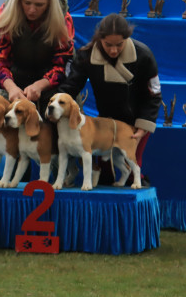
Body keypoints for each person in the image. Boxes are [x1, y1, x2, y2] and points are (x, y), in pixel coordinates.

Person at [57, 14, 161, 184]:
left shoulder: (143, 55)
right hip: (106, 123)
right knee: (105, 175)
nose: (113, 50)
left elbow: (154, 95)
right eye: (108, 45)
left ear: (127, 39)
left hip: (137, 122)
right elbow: (71, 86)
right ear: (99, 39)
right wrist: (58, 105)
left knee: (131, 169)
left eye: (119, 45)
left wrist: (143, 126)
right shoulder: (86, 56)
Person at [0, 0, 74, 110]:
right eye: (27, 3)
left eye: (39, 5)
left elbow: (63, 65)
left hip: (53, 88)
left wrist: (40, 85)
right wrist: (11, 88)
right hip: (14, 84)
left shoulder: (63, 18)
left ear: (49, 4)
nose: (32, 10)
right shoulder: (6, 14)